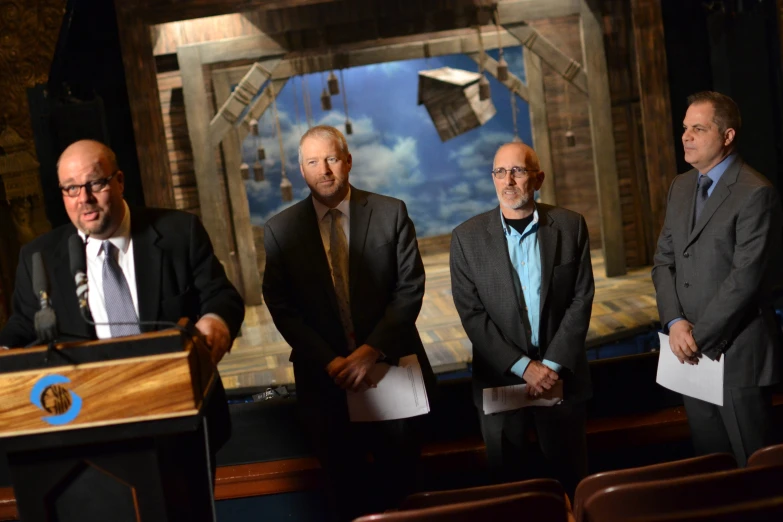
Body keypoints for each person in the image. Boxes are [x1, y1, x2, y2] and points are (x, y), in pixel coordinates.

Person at [0, 140, 244, 498]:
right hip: (87, 435)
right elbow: (23, 325)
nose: (83, 198)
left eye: (95, 183)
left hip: (180, 425)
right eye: (71, 188)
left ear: (119, 181)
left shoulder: (178, 233)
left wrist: (215, 323)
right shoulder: (39, 257)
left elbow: (221, 296)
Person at [262, 125, 435, 521]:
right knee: (346, 496)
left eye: (332, 159)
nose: (324, 169)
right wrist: (331, 361)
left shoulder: (391, 212)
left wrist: (369, 351)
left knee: (406, 493)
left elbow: (409, 289)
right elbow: (281, 305)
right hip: (326, 384)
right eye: (313, 162)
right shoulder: (280, 230)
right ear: (302, 171)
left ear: (348, 161)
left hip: (391, 372)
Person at [450, 142, 594, 498]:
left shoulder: (571, 226)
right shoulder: (466, 239)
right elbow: (472, 315)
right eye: (500, 171)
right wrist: (523, 367)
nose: (508, 180)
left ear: (538, 178)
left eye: (518, 171)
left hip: (561, 383)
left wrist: (549, 365)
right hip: (500, 384)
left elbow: (581, 299)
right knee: (509, 496)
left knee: (570, 488)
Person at [652, 91, 783, 466]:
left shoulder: (756, 193)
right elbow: (663, 261)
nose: (686, 137)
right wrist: (675, 324)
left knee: (753, 473)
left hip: (736, 356)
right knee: (711, 472)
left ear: (727, 136)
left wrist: (696, 338)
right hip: (688, 358)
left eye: (698, 128)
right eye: (684, 129)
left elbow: (746, 279)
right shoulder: (680, 187)